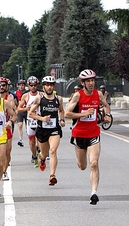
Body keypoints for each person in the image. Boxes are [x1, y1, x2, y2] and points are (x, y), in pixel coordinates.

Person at [65, 69, 111, 205]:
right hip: (79, 134)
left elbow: (106, 106)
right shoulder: (77, 96)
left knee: (94, 163)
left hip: (93, 133)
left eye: (92, 80)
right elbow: (67, 114)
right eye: (88, 81)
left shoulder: (98, 94)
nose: (91, 83)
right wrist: (83, 114)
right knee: (82, 166)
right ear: (82, 83)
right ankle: (80, 160)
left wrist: (107, 115)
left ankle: (94, 193)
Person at [28, 76, 65, 186]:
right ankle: (42, 159)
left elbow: (61, 111)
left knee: (53, 151)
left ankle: (52, 175)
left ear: (54, 86)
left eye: (51, 85)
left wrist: (62, 119)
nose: (49, 87)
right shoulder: (39, 99)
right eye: (47, 85)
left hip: (54, 129)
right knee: (44, 154)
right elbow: (30, 113)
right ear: (43, 86)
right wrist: (42, 118)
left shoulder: (59, 99)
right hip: (42, 129)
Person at [16, 76, 41, 167]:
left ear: (37, 85)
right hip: (30, 120)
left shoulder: (41, 94)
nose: (33, 87)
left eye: (35, 85)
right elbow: (19, 109)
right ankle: (34, 156)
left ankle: (39, 152)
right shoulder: (25, 96)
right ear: (28, 86)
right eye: (31, 85)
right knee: (32, 142)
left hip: (40, 120)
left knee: (40, 142)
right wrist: (27, 108)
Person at [0, 77, 17, 181]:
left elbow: (14, 113)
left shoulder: (10, 98)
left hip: (6, 127)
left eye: (3, 85)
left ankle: (4, 171)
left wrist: (10, 121)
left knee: (7, 151)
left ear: (7, 86)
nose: (1, 87)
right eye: (0, 85)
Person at [15, 79, 28, 147]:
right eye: (20, 85)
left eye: (22, 85)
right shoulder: (16, 93)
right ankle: (20, 139)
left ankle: (30, 137)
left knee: (27, 126)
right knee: (20, 125)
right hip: (20, 111)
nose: (21, 87)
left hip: (26, 110)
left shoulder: (27, 92)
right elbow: (14, 102)